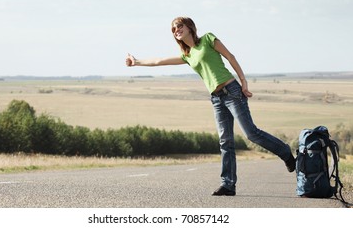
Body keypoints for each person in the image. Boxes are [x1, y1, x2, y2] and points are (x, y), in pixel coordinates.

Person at [125, 16, 296, 196]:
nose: (176, 30)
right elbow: (159, 61)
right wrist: (136, 62)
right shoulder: (187, 55)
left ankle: (285, 153)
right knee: (225, 141)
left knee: (251, 133)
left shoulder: (208, 39)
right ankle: (228, 184)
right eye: (173, 29)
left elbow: (230, 57)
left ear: (190, 27)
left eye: (179, 26)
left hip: (232, 91)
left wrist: (244, 82)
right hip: (216, 98)